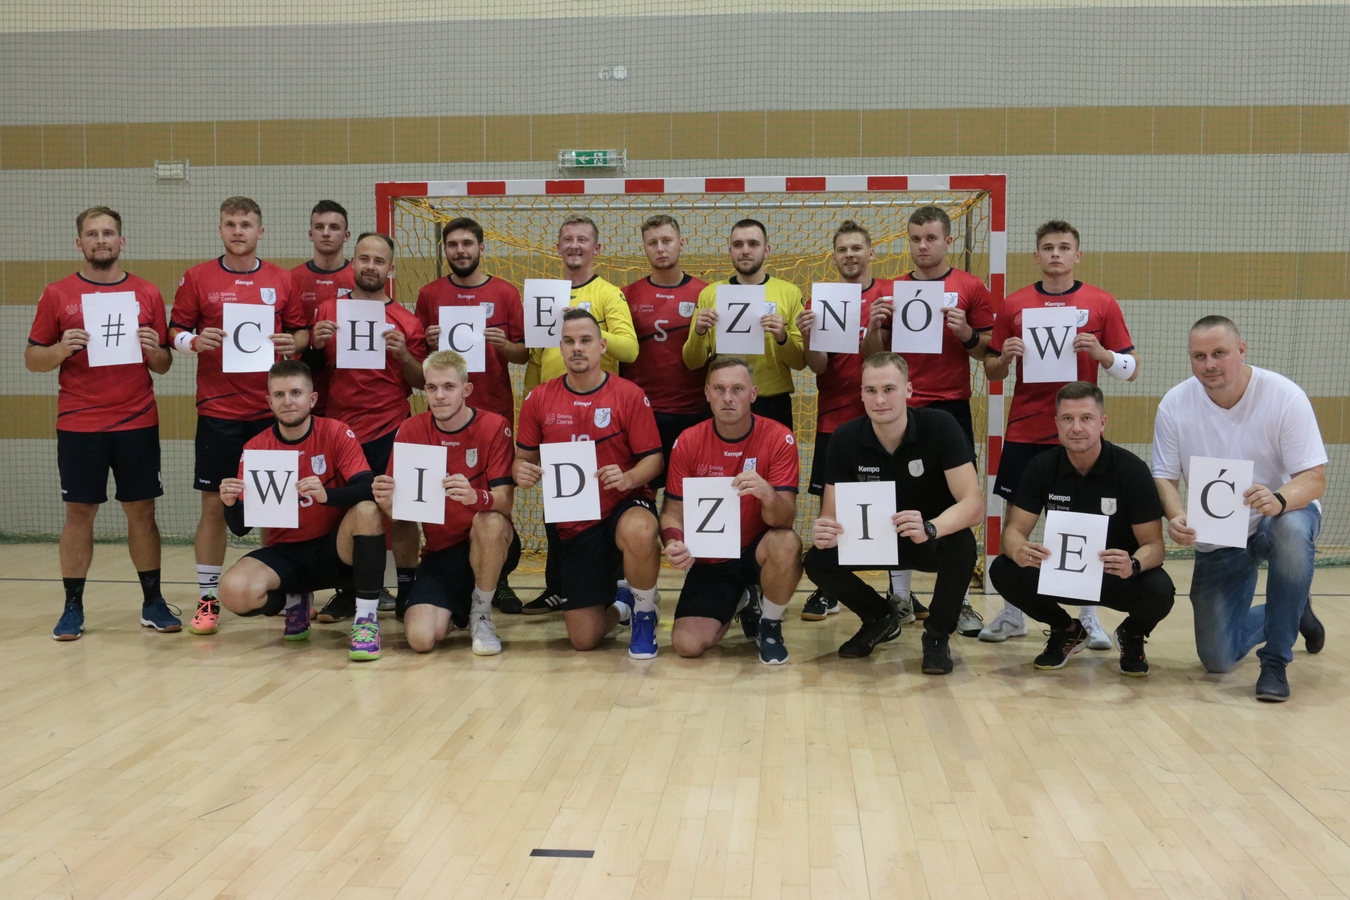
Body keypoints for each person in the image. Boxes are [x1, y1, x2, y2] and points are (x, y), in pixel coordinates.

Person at [980, 220, 1138, 649]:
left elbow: (1130, 369)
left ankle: (1088, 618)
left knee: (1085, 523)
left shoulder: (1101, 302)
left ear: (1077, 255)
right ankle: (1013, 615)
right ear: (1036, 256)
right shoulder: (1014, 305)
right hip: (1025, 428)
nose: (1055, 254)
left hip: (1079, 433)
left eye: (1064, 247)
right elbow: (991, 370)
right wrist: (1004, 358)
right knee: (1017, 520)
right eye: (1048, 247)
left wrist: (1102, 353)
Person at [1152, 316, 1328, 702]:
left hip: (1279, 515)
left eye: (1219, 353)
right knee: (1217, 658)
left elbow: (1315, 478)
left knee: (1291, 531)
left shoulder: (1284, 396)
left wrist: (1279, 499)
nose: (1209, 364)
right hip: (1220, 534)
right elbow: (1164, 477)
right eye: (1199, 356)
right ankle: (1295, 607)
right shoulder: (1174, 405)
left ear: (1242, 350)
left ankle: (1275, 662)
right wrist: (1175, 514)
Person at [26, 206, 179, 639]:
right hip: (79, 423)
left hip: (137, 420)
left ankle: (153, 602)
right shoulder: (57, 294)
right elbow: (33, 358)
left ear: (121, 241)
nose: (101, 240)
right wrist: (60, 350)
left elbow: (164, 363)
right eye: (92, 234)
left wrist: (153, 349)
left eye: (108, 233)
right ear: (79, 243)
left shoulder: (147, 293)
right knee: (79, 512)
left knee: (142, 511)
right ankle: (72, 607)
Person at [169, 197, 308, 637]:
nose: (238, 231)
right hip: (219, 412)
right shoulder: (198, 277)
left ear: (259, 232)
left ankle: (290, 592)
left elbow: (300, 332)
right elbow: (174, 330)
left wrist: (293, 343)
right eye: (230, 223)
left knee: (278, 506)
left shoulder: (280, 278)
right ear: (221, 229)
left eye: (246, 224)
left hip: (271, 414)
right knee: (214, 505)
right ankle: (208, 597)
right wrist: (194, 342)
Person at [861, 206, 994, 637]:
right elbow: (874, 357)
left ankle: (961, 600)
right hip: (901, 409)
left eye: (931, 238)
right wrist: (874, 327)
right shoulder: (892, 289)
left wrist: (966, 333)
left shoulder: (970, 287)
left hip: (951, 407)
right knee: (896, 497)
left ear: (948, 241)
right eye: (916, 238)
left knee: (955, 498)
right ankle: (899, 597)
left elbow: (988, 353)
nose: (922, 246)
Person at [804, 353, 982, 672]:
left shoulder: (940, 426)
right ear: (861, 394)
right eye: (871, 390)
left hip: (926, 539)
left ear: (908, 390)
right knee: (818, 559)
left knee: (963, 545)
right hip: (872, 543)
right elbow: (830, 513)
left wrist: (930, 527)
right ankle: (879, 617)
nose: (880, 400)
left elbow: (973, 505)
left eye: (889, 389)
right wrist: (825, 529)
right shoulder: (845, 437)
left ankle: (937, 636)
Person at [990, 382, 1174, 674]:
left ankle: (1132, 633)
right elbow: (1013, 532)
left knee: (1160, 589)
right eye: (1068, 418)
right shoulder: (1041, 466)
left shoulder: (1131, 470)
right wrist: (1019, 550)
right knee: (1003, 569)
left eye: (1086, 418)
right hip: (1062, 575)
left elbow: (1155, 546)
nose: (1076, 427)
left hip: (1114, 577)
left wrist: (1134, 564)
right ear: (1056, 423)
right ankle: (1065, 629)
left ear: (1102, 422)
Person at [513, 309, 664, 656]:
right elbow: (523, 459)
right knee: (583, 639)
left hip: (622, 505)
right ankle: (623, 607)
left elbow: (654, 460)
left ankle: (644, 613)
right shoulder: (539, 398)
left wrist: (627, 478)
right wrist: (521, 471)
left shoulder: (629, 394)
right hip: (575, 521)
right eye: (569, 341)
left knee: (641, 530)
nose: (577, 348)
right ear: (560, 348)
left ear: (602, 346)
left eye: (585, 340)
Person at [216, 360, 387, 661]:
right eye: (279, 395)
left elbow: (366, 486)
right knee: (233, 591)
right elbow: (241, 528)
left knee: (367, 510)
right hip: (286, 554)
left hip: (334, 551)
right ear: (269, 402)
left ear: (312, 398)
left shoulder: (336, 432)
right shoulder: (256, 447)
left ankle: (366, 619)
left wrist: (326, 496)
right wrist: (229, 504)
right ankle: (294, 601)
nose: (288, 401)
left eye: (295, 392)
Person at [520, 214, 639, 613]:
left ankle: (616, 587)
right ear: (558, 247)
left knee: (607, 500)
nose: (574, 245)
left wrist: (591, 333)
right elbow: (535, 359)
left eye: (582, 239)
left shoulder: (608, 293)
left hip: (599, 413)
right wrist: (529, 402)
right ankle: (558, 587)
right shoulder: (543, 295)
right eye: (567, 239)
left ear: (596, 248)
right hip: (553, 413)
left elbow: (630, 349)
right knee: (558, 503)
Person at [304, 232, 426, 621]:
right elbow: (310, 372)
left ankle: (407, 587)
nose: (370, 266)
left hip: (390, 425)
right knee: (345, 510)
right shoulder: (328, 311)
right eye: (364, 259)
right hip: (341, 430)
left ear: (390, 268)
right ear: (353, 263)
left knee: (401, 508)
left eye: (378, 260)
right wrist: (314, 346)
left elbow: (421, 380)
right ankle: (348, 591)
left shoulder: (406, 320)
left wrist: (404, 354)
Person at [414, 217, 528, 614]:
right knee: (446, 496)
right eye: (453, 244)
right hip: (446, 418)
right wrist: (429, 343)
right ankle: (440, 570)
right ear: (445, 249)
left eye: (467, 243)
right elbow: (420, 358)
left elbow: (524, 353)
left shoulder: (505, 292)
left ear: (481, 247)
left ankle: (499, 580)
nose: (460, 250)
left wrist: (504, 345)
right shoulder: (430, 294)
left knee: (496, 500)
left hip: (493, 415)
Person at [372, 351, 517, 656]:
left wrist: (475, 496)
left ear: (466, 389)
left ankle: (481, 616)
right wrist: (385, 500)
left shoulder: (494, 425)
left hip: (488, 540)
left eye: (448, 387)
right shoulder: (411, 430)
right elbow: (399, 514)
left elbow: (505, 502)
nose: (439, 396)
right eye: (432, 387)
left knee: (489, 521)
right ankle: (461, 610)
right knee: (421, 638)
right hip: (441, 552)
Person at [660, 357, 802, 664]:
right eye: (720, 389)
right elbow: (672, 512)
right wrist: (673, 540)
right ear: (707, 393)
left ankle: (770, 625)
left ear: (753, 394)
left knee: (787, 543)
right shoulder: (687, 441)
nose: (728, 397)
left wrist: (768, 495)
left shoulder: (779, 437)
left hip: (756, 552)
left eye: (737, 389)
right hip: (711, 558)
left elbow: (785, 518)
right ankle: (744, 598)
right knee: (687, 645)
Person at [682, 218, 806, 430]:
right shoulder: (710, 294)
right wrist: (699, 333)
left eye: (753, 244)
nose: (745, 251)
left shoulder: (789, 292)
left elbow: (801, 362)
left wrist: (782, 338)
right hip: (724, 400)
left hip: (772, 402)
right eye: (738, 245)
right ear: (730, 250)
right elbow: (692, 362)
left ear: (766, 250)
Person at [621, 214, 711, 488]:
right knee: (641, 495)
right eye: (653, 243)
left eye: (666, 241)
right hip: (642, 414)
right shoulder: (626, 295)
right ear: (645, 247)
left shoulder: (706, 294)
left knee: (689, 497)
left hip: (694, 413)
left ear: (681, 243)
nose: (660, 248)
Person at [290, 200, 354, 416]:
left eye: (334, 227)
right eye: (319, 227)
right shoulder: (292, 279)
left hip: (347, 384)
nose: (326, 233)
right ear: (310, 234)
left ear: (346, 235)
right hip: (305, 382)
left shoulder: (360, 278)